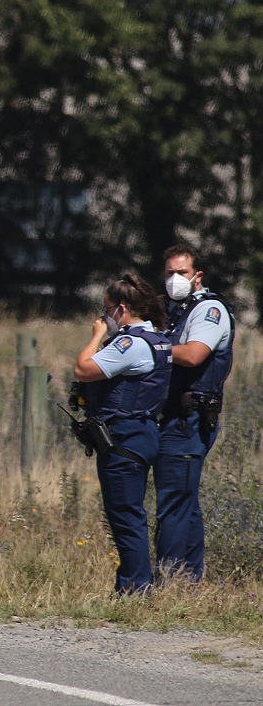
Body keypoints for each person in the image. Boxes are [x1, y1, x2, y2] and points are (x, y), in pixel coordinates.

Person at [73, 274, 172, 595]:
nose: (103, 317)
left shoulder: (130, 343)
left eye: (106, 311)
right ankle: (132, 583)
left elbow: (84, 369)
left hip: (124, 438)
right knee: (130, 514)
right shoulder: (158, 339)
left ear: (121, 309)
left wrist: (96, 334)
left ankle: (136, 588)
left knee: (125, 517)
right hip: (143, 433)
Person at [155, 244, 234, 582]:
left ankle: (170, 580)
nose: (175, 279)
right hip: (172, 416)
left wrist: (151, 346)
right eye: (170, 272)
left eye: (182, 273)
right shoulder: (177, 310)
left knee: (173, 503)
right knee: (183, 501)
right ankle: (187, 578)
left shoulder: (208, 310)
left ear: (197, 275)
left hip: (190, 419)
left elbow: (193, 355)